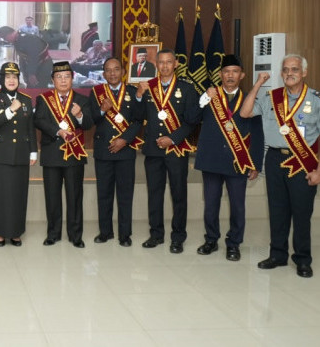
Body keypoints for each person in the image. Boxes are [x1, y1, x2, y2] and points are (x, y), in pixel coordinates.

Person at [240, 54, 320, 278]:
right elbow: (245, 112)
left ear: (304, 72)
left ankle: (303, 259)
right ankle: (277, 255)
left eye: (294, 69)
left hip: (303, 162)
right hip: (275, 159)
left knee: (302, 213)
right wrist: (257, 85)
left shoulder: (315, 100)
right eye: (285, 70)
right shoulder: (271, 97)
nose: (289, 73)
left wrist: (319, 171)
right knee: (277, 210)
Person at [194, 54, 264, 261]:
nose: (230, 75)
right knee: (211, 204)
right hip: (212, 159)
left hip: (238, 161)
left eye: (234, 72)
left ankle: (234, 243)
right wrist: (205, 98)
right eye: (226, 72)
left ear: (241, 75)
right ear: (220, 74)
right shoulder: (209, 97)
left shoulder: (250, 100)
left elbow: (258, 135)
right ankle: (211, 240)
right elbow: (192, 117)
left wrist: (256, 164)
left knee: (237, 206)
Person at [136, 48, 198, 253]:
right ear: (156, 65)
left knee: (178, 194)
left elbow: (192, 121)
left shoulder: (187, 89)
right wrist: (138, 95)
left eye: (168, 62)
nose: (164, 66)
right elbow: (137, 116)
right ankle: (156, 234)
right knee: (155, 194)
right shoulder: (148, 87)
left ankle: (178, 236)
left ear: (176, 64)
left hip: (176, 150)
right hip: (153, 150)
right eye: (161, 62)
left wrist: (173, 138)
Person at [34, 61, 93, 247]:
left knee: (74, 196)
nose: (63, 80)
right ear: (53, 80)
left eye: (67, 76)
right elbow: (39, 120)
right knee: (52, 196)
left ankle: (76, 236)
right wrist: (58, 131)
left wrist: (80, 116)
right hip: (52, 153)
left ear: (72, 78)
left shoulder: (82, 99)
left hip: (74, 154)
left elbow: (88, 124)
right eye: (59, 77)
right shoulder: (44, 99)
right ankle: (53, 234)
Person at [87, 57, 143, 247]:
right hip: (103, 151)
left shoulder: (133, 92)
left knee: (125, 194)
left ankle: (125, 234)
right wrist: (102, 111)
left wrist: (124, 139)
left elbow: (138, 121)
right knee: (104, 194)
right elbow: (90, 120)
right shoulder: (96, 92)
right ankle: (105, 232)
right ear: (103, 74)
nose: (112, 73)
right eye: (108, 70)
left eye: (116, 69)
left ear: (123, 72)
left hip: (125, 151)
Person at [0, 62, 37, 246]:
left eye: (15, 77)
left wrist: (33, 151)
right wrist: (11, 109)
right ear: (1, 79)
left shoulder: (26, 99)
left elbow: (30, 127)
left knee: (18, 194)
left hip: (21, 154)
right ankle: (0, 233)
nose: (12, 80)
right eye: (8, 77)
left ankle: (15, 232)